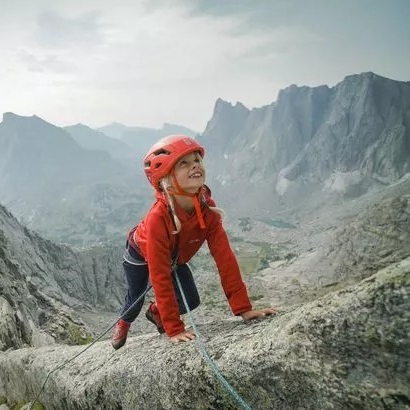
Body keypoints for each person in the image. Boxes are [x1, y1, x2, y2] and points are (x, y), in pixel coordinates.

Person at [111, 135, 278, 349]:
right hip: (139, 254)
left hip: (173, 256)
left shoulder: (208, 209)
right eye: (184, 163)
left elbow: (225, 258)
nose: (195, 166)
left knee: (190, 300)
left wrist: (244, 309)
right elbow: (160, 275)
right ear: (166, 178)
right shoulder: (157, 219)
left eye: (197, 160)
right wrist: (175, 329)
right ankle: (124, 322)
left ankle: (156, 313)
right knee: (135, 297)